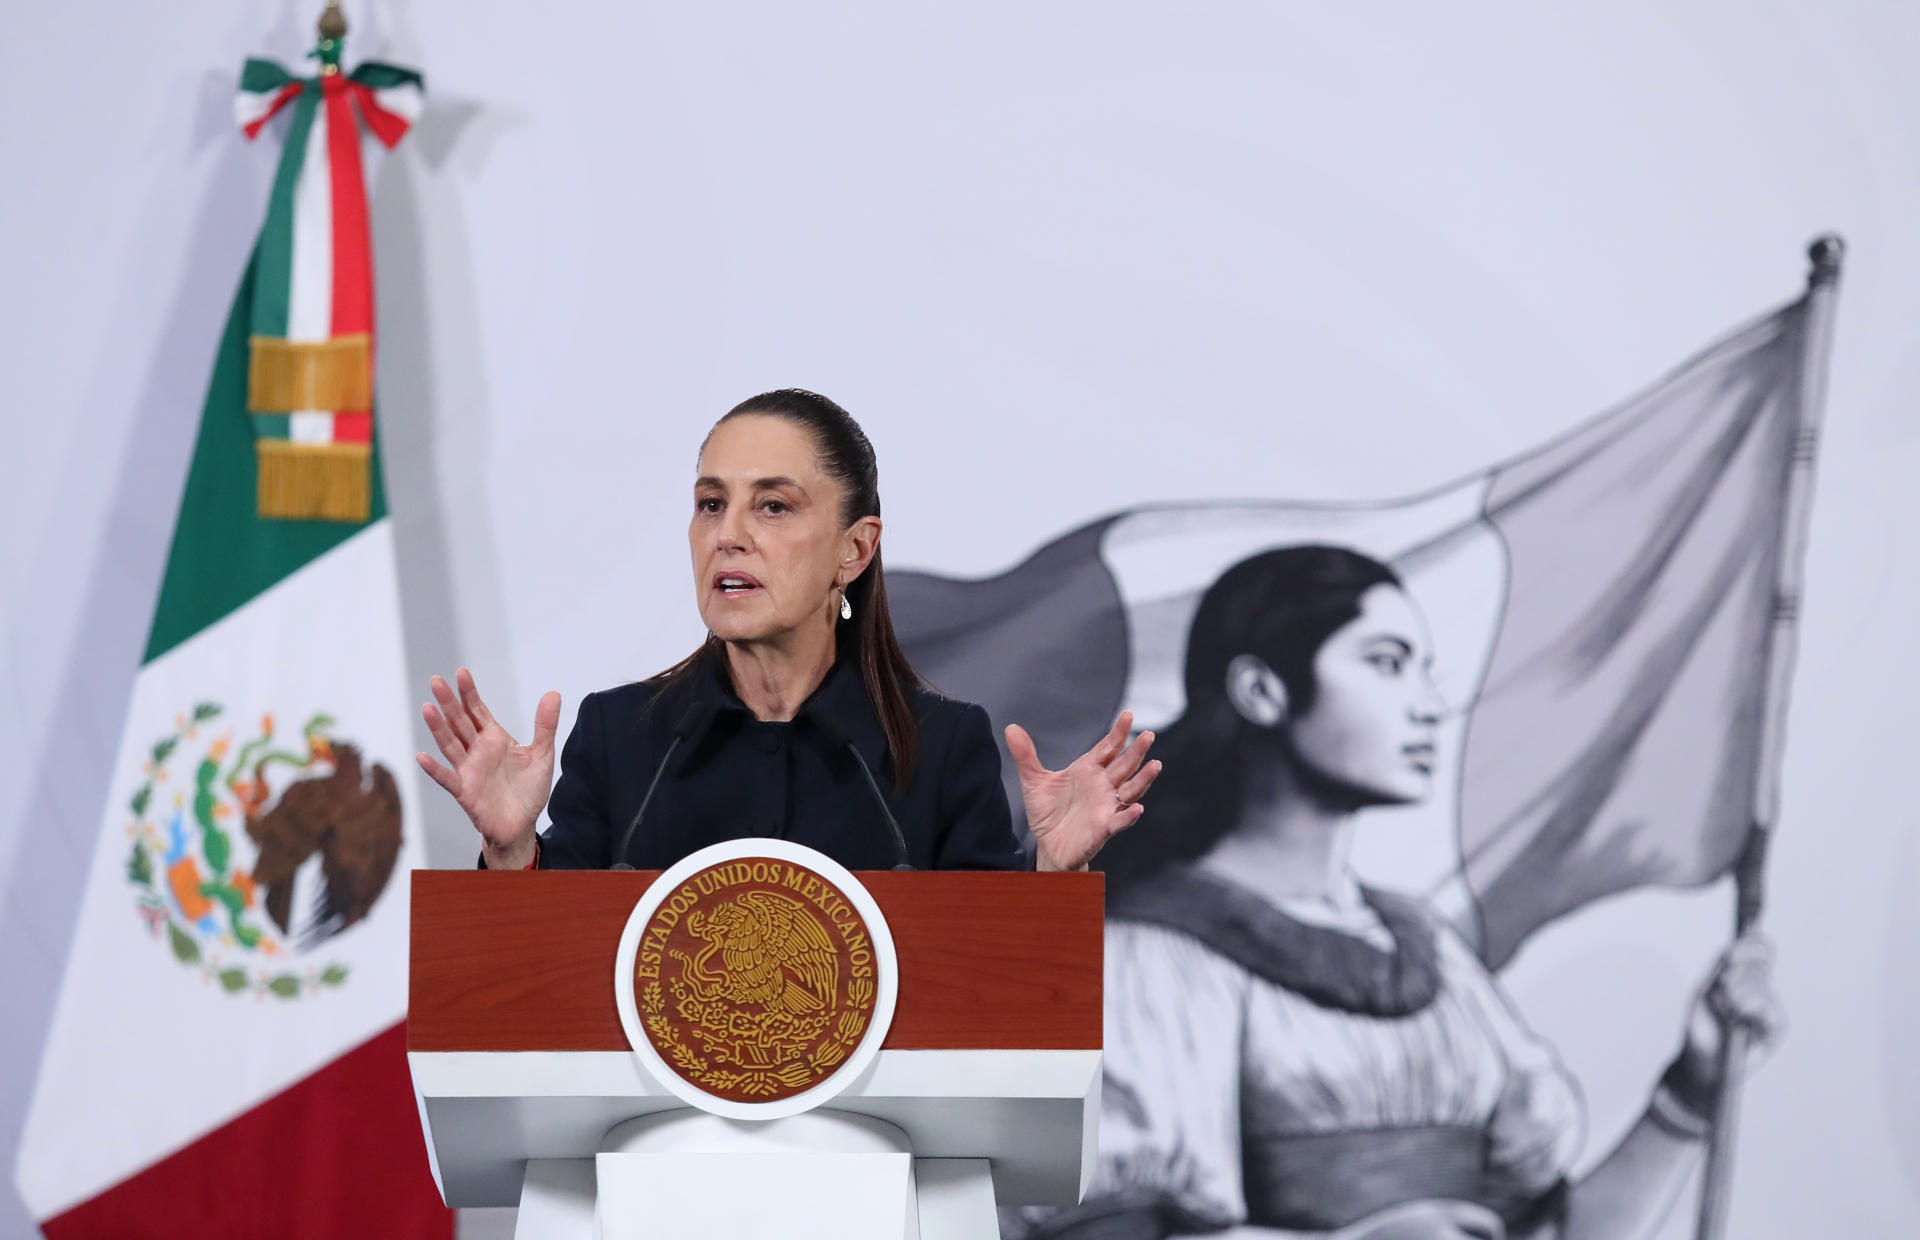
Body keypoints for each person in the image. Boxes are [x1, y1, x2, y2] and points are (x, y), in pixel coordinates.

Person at [1012, 545, 1782, 1240]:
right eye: (1386, 663)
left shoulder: (1431, 953)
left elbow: (1551, 1231)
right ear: (1261, 690)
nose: (1428, 704)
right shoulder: (1148, 956)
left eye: (1423, 669)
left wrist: (1691, 1091)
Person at [416, 389, 1159, 873]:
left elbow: (990, 981)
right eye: (711, 504)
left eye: (773, 506)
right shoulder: (622, 735)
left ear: (854, 550)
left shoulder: (940, 746)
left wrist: (1052, 875)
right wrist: (511, 851)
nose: (728, 535)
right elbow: (545, 967)